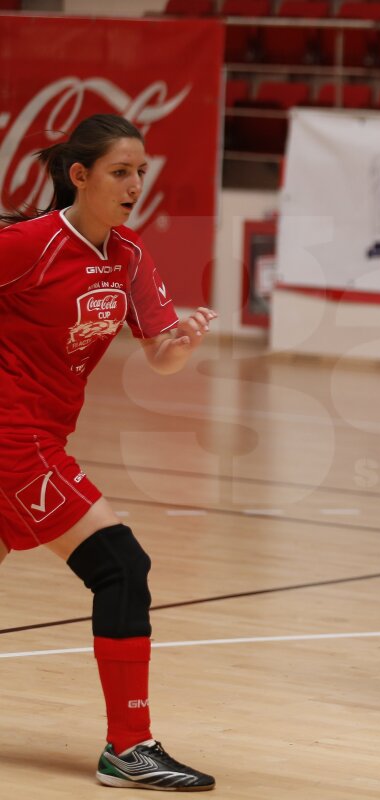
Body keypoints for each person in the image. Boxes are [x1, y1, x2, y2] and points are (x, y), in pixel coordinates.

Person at [0, 114, 216, 791]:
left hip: (47, 432)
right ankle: (129, 745)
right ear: (80, 175)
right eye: (121, 172)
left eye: (141, 173)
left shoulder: (127, 255)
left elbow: (160, 356)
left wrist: (178, 341)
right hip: (14, 437)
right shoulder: (27, 244)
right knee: (121, 564)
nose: (134, 185)